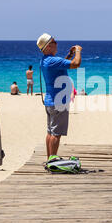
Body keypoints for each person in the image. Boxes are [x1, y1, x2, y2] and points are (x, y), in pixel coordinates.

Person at [37, 33, 82, 161]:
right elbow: (76, 64)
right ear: (48, 47)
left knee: (50, 132)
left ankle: (49, 159)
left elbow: (61, 64)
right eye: (54, 42)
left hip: (50, 101)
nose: (57, 44)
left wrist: (69, 55)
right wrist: (78, 50)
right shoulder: (53, 61)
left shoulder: (46, 60)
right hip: (59, 102)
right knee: (56, 134)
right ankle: (52, 160)